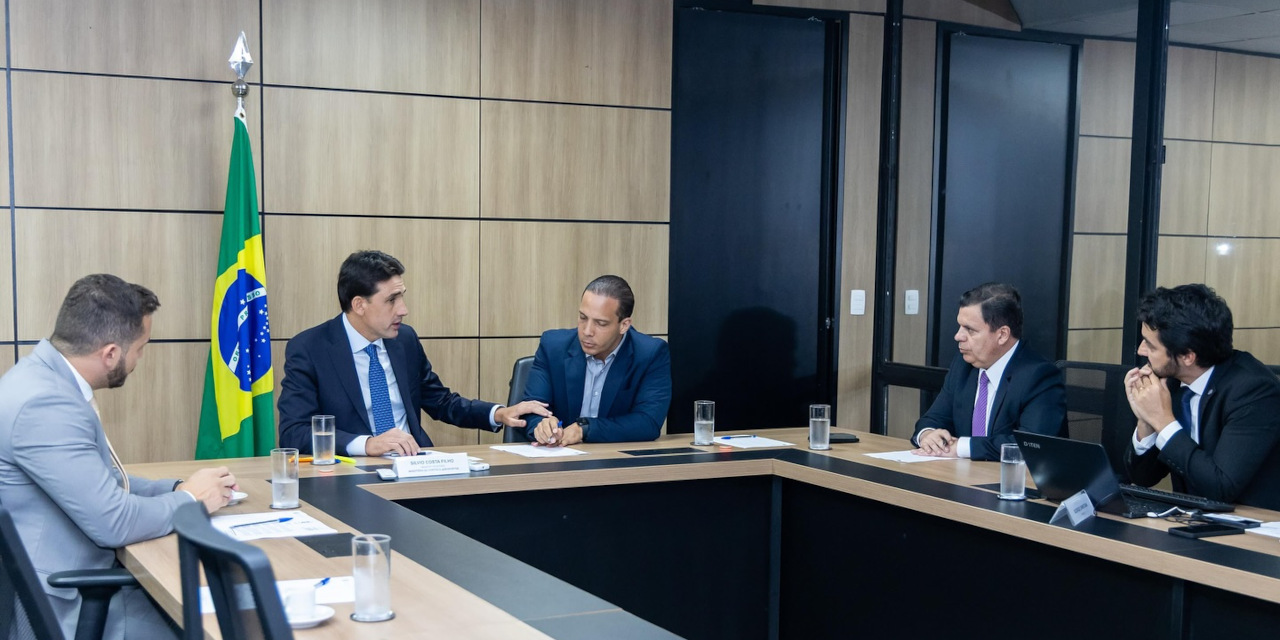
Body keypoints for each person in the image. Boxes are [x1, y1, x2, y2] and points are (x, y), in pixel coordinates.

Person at [0, 274, 238, 639]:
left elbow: (103, 481)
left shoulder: (41, 378)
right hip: (70, 602)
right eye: (140, 349)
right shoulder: (46, 404)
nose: (139, 359)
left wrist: (175, 488)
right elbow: (114, 521)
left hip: (80, 580)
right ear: (111, 353)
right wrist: (192, 500)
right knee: (222, 624)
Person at [278, 250, 549, 456]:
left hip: (414, 465)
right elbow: (294, 432)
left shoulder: (404, 340)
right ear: (359, 305)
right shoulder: (310, 348)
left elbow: (441, 402)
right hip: (350, 477)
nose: (403, 309)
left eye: (402, 296)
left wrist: (498, 413)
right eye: (391, 300)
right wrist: (368, 444)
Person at [1123, 284, 1280, 509]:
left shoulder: (1254, 391)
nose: (1141, 351)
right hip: (1188, 518)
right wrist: (1146, 420)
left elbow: (1221, 488)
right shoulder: (1171, 381)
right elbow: (1143, 478)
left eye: (1151, 345)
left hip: (1251, 522)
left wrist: (1163, 421)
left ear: (1188, 356)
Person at [912, 282, 1066, 461]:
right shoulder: (963, 366)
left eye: (970, 330)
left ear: (1002, 335)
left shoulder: (1039, 376)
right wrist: (928, 435)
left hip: (1013, 477)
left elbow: (1031, 444)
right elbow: (933, 418)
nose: (958, 336)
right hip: (962, 473)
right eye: (960, 327)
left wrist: (961, 447)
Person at [524, 275, 672, 445]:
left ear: (624, 325)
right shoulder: (553, 346)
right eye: (583, 317)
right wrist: (542, 427)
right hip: (557, 456)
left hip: (613, 458)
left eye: (600, 323)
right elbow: (531, 409)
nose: (587, 331)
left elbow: (647, 422)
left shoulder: (650, 354)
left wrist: (584, 429)